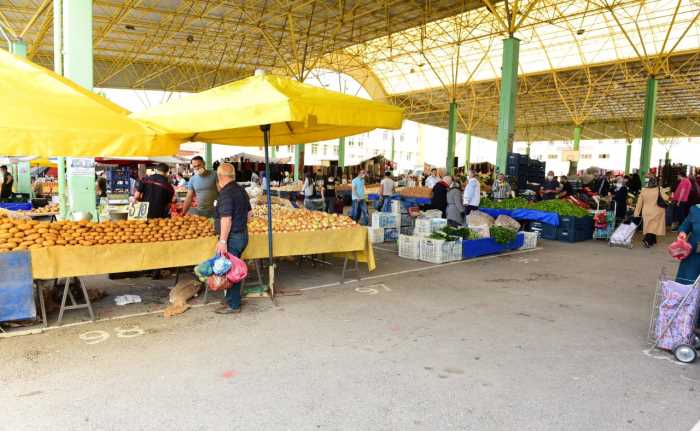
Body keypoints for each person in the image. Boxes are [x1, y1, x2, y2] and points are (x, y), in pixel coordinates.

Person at [213, 163, 251, 315]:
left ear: (220, 177)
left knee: (232, 271)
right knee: (231, 268)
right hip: (242, 234)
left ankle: (233, 305)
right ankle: (230, 299)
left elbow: (226, 219)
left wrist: (222, 241)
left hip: (232, 237)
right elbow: (249, 216)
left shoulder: (226, 193)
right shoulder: (241, 190)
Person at [634, 176, 668, 248]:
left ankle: (653, 240)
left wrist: (636, 213)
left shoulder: (643, 190)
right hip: (657, 211)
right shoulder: (659, 189)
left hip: (646, 211)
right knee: (653, 226)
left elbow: (639, 203)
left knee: (649, 226)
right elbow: (666, 198)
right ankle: (647, 240)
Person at [676, 204, 700, 284]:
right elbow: (685, 225)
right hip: (693, 252)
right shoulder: (695, 209)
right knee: (687, 280)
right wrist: (682, 232)